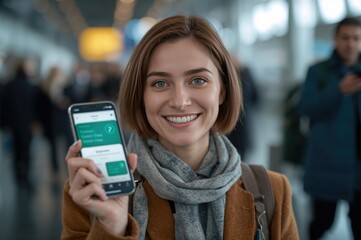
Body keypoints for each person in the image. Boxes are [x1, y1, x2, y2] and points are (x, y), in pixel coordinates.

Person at [61, 15, 298, 239]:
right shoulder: (91, 191)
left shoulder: (272, 191)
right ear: (141, 96)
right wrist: (112, 227)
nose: (179, 101)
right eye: (160, 83)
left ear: (222, 91)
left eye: (198, 80)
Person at [297, 17, 361, 240]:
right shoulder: (318, 72)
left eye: (356, 38)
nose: (350, 44)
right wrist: (338, 90)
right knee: (321, 223)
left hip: (358, 168)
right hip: (327, 164)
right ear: (335, 39)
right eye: (345, 38)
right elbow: (305, 107)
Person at [0, 58, 38, 187]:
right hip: (27, 124)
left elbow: (4, 106)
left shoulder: (9, 85)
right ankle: (25, 177)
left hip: (14, 125)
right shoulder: (30, 86)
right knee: (26, 152)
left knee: (16, 152)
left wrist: (4, 124)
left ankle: (18, 177)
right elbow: (34, 108)